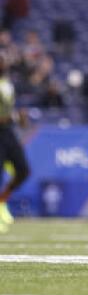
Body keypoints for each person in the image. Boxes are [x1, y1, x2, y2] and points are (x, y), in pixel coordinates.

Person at [0, 58, 30, 232]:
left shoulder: (7, 84)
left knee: (23, 170)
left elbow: (8, 110)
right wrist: (14, 117)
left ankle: (2, 201)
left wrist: (20, 117)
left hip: (7, 132)